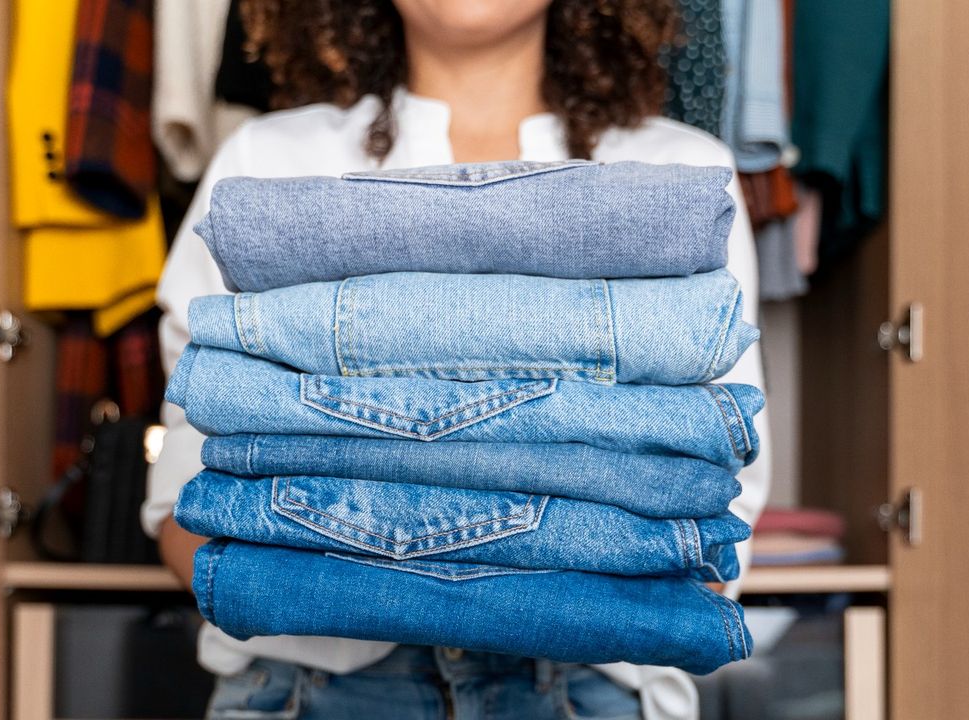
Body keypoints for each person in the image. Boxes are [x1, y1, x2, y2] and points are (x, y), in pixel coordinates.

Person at [142, 1, 771, 718]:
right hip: (312, 692)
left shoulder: (680, 184)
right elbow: (188, 498)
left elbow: (722, 479)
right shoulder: (263, 172)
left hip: (585, 691)